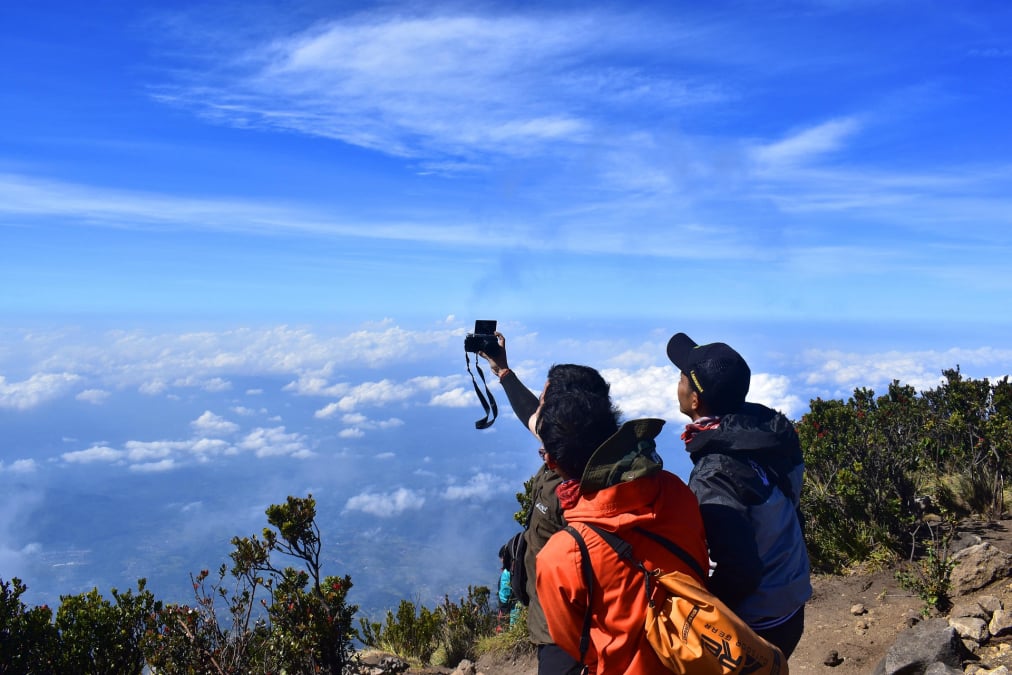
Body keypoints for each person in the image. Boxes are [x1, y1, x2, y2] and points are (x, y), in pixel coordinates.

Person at [534, 387, 709, 675]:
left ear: (552, 463)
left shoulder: (562, 556)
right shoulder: (674, 488)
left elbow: (576, 646)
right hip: (698, 656)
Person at [665, 332, 812, 657]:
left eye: (681, 378)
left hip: (759, 622)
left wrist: (698, 615)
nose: (677, 383)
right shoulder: (767, 431)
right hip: (791, 596)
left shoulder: (715, 473)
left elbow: (739, 570)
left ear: (694, 401)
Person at [479, 334, 612, 675]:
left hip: (569, 636)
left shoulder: (587, 487)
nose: (538, 410)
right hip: (555, 625)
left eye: (545, 403)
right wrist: (503, 372)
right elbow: (532, 417)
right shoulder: (585, 446)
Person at [497, 540, 519, 629]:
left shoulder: (507, 573)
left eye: (502, 558)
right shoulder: (522, 566)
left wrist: (503, 618)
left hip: (514, 614)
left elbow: (504, 598)